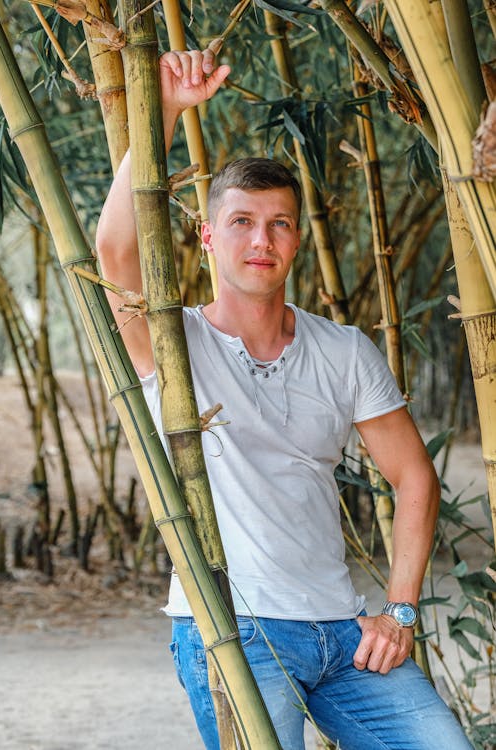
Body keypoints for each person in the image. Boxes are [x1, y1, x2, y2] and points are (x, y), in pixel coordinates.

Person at [96, 49, 473, 750]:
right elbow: (115, 254)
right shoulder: (172, 344)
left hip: (343, 632)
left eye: (279, 223)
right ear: (208, 237)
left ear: (298, 238)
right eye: (240, 222)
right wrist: (169, 111)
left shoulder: (344, 350)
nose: (260, 239)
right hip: (236, 630)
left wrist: (400, 611)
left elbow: (414, 476)